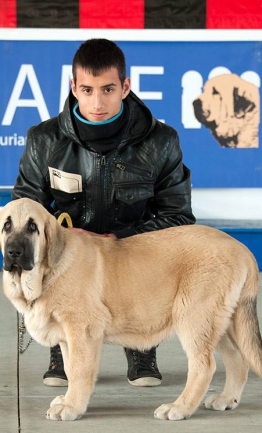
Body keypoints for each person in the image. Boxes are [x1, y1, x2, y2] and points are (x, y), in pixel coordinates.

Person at [12, 38, 195, 387]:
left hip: (133, 253)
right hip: (69, 260)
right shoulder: (43, 140)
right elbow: (25, 207)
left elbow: (179, 218)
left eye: (108, 89)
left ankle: (142, 344)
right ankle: (61, 339)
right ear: (73, 87)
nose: (97, 102)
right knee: (48, 250)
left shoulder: (162, 141)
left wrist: (114, 240)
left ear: (125, 87)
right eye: (87, 89)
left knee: (158, 252)